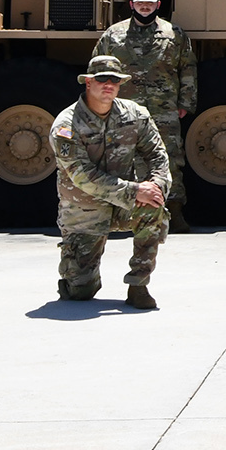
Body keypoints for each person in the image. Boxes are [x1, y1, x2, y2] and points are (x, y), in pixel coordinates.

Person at [50, 55, 170, 309]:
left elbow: (158, 155)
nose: (109, 85)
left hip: (123, 205)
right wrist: (136, 190)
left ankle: (138, 285)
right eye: (102, 79)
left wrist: (157, 186)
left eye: (115, 80)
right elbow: (82, 176)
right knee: (81, 292)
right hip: (85, 212)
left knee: (153, 206)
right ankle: (74, 278)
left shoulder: (135, 115)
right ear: (88, 83)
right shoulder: (66, 126)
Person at [95, 0, 198, 234]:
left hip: (163, 110)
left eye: (149, 3)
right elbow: (97, 70)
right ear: (131, 4)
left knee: (170, 159)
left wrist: (186, 102)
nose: (144, 6)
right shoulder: (113, 35)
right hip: (125, 111)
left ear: (158, 5)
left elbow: (188, 68)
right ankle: (126, 216)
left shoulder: (174, 33)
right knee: (122, 160)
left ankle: (174, 213)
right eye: (140, 2)